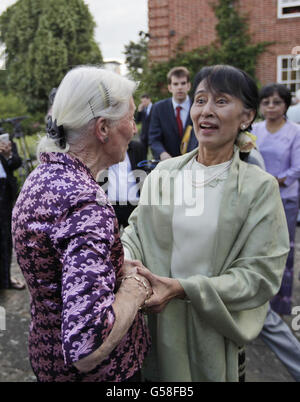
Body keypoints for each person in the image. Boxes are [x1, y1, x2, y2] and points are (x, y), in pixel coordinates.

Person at [122, 65, 290, 382]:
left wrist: (184, 288)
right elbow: (136, 233)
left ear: (246, 116)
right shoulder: (164, 174)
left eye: (221, 101)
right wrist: (125, 263)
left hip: (213, 330)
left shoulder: (258, 188)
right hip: (159, 324)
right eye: (200, 100)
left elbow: (260, 276)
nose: (206, 111)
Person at [11, 66, 152, 382]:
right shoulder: (85, 201)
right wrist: (135, 287)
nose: (133, 129)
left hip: (48, 362)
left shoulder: (41, 178)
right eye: (130, 118)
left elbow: (62, 276)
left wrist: (114, 267)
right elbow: (88, 345)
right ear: (103, 128)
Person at [252, 83, 300, 316]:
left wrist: (272, 180)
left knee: (284, 249)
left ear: (286, 104)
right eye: (266, 102)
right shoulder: (255, 130)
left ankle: (281, 303)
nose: (271, 107)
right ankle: (257, 302)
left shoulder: (296, 132)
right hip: (257, 200)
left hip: (285, 199)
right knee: (258, 248)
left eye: (277, 102)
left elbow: (297, 168)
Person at [148, 66, 198, 161]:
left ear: (189, 86)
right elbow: (154, 139)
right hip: (167, 164)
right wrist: (162, 153)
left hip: (194, 162)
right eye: (175, 84)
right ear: (170, 87)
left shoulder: (198, 107)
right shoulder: (159, 108)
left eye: (183, 83)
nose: (179, 87)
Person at [100, 139, 146, 228]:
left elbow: (142, 172)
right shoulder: (102, 147)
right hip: (110, 203)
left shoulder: (136, 147)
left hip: (133, 203)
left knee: (134, 238)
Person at [0, 134, 24, 290]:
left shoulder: (4, 139)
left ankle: (5, 279)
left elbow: (17, 162)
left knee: (5, 238)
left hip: (4, 192)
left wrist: (8, 155)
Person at [136, 94, 152, 159]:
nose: (143, 103)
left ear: (149, 100)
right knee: (143, 153)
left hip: (152, 134)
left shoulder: (155, 108)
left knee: (155, 152)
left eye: (144, 102)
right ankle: (145, 167)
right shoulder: (142, 110)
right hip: (144, 135)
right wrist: (139, 111)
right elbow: (137, 121)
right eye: (142, 102)